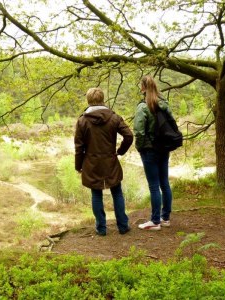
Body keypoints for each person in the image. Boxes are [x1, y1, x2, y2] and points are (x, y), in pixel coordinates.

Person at [74, 87, 134, 236]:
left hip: (92, 163)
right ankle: (123, 226)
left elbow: (79, 147)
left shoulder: (82, 121)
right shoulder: (114, 117)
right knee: (117, 192)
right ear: (102, 99)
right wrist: (119, 152)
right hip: (110, 161)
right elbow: (129, 136)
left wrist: (78, 166)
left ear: (88, 101)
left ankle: (101, 229)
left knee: (96, 194)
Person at [133, 75, 173, 231]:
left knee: (154, 186)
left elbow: (139, 131)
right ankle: (165, 218)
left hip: (150, 150)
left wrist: (140, 147)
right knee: (165, 183)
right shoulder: (164, 104)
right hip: (164, 148)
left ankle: (155, 221)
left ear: (143, 88)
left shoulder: (143, 107)